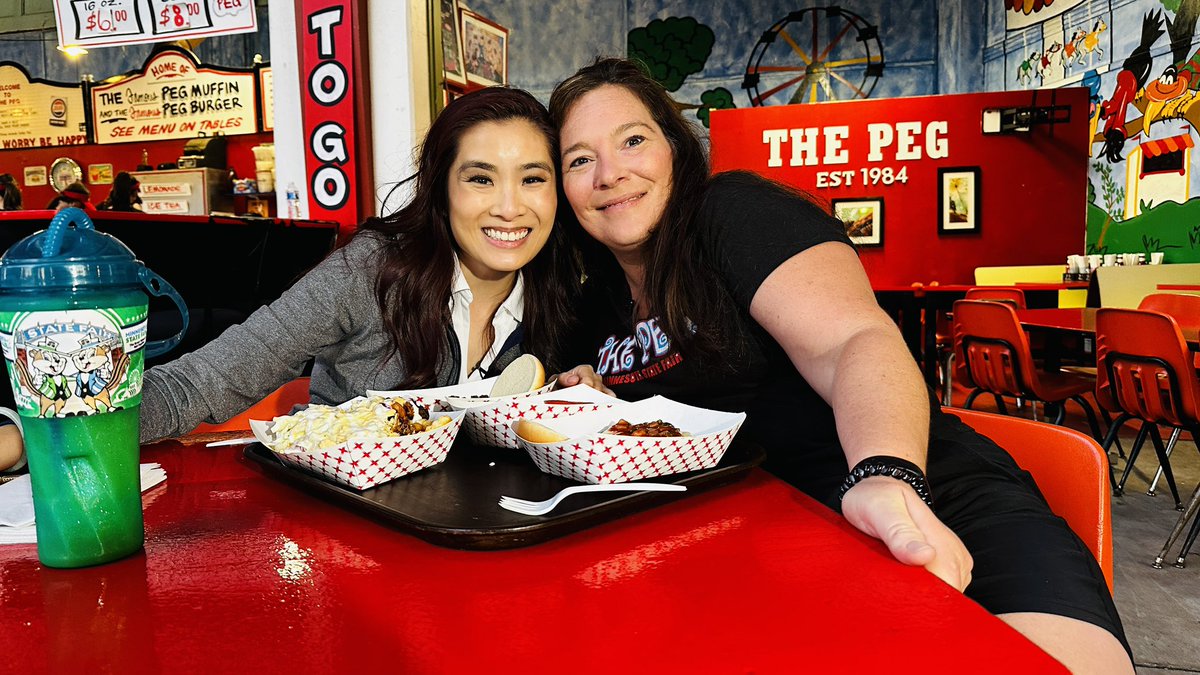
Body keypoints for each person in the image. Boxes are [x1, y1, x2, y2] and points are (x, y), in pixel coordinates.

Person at [549, 58, 1133, 674]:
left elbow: (851, 339)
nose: (610, 173)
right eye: (579, 159)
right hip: (774, 549)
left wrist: (886, 473)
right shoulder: (594, 303)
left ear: (674, 148)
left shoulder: (730, 214)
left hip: (922, 495)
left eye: (632, 140)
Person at [140, 87, 588, 442]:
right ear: (441, 190)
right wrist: (81, 428)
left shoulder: (565, 288)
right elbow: (196, 385)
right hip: (338, 530)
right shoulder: (369, 272)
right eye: (480, 179)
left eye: (532, 179)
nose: (509, 208)